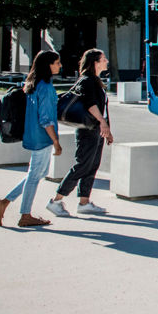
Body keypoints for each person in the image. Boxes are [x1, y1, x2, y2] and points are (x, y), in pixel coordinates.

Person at [0, 51, 63, 227]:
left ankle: (5, 203)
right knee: (34, 175)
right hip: (42, 137)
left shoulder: (33, 83)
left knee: (38, 173)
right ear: (48, 65)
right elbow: (46, 119)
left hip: (32, 135)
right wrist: (56, 141)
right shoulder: (45, 87)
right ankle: (24, 215)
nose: (60, 65)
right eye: (57, 62)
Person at [47, 49, 113, 217]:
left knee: (92, 165)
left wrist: (107, 129)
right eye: (103, 59)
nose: (106, 61)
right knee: (82, 165)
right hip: (87, 130)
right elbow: (91, 105)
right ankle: (56, 200)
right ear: (95, 62)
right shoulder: (87, 80)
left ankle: (84, 202)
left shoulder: (96, 80)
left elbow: (103, 107)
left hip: (96, 129)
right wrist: (102, 122)